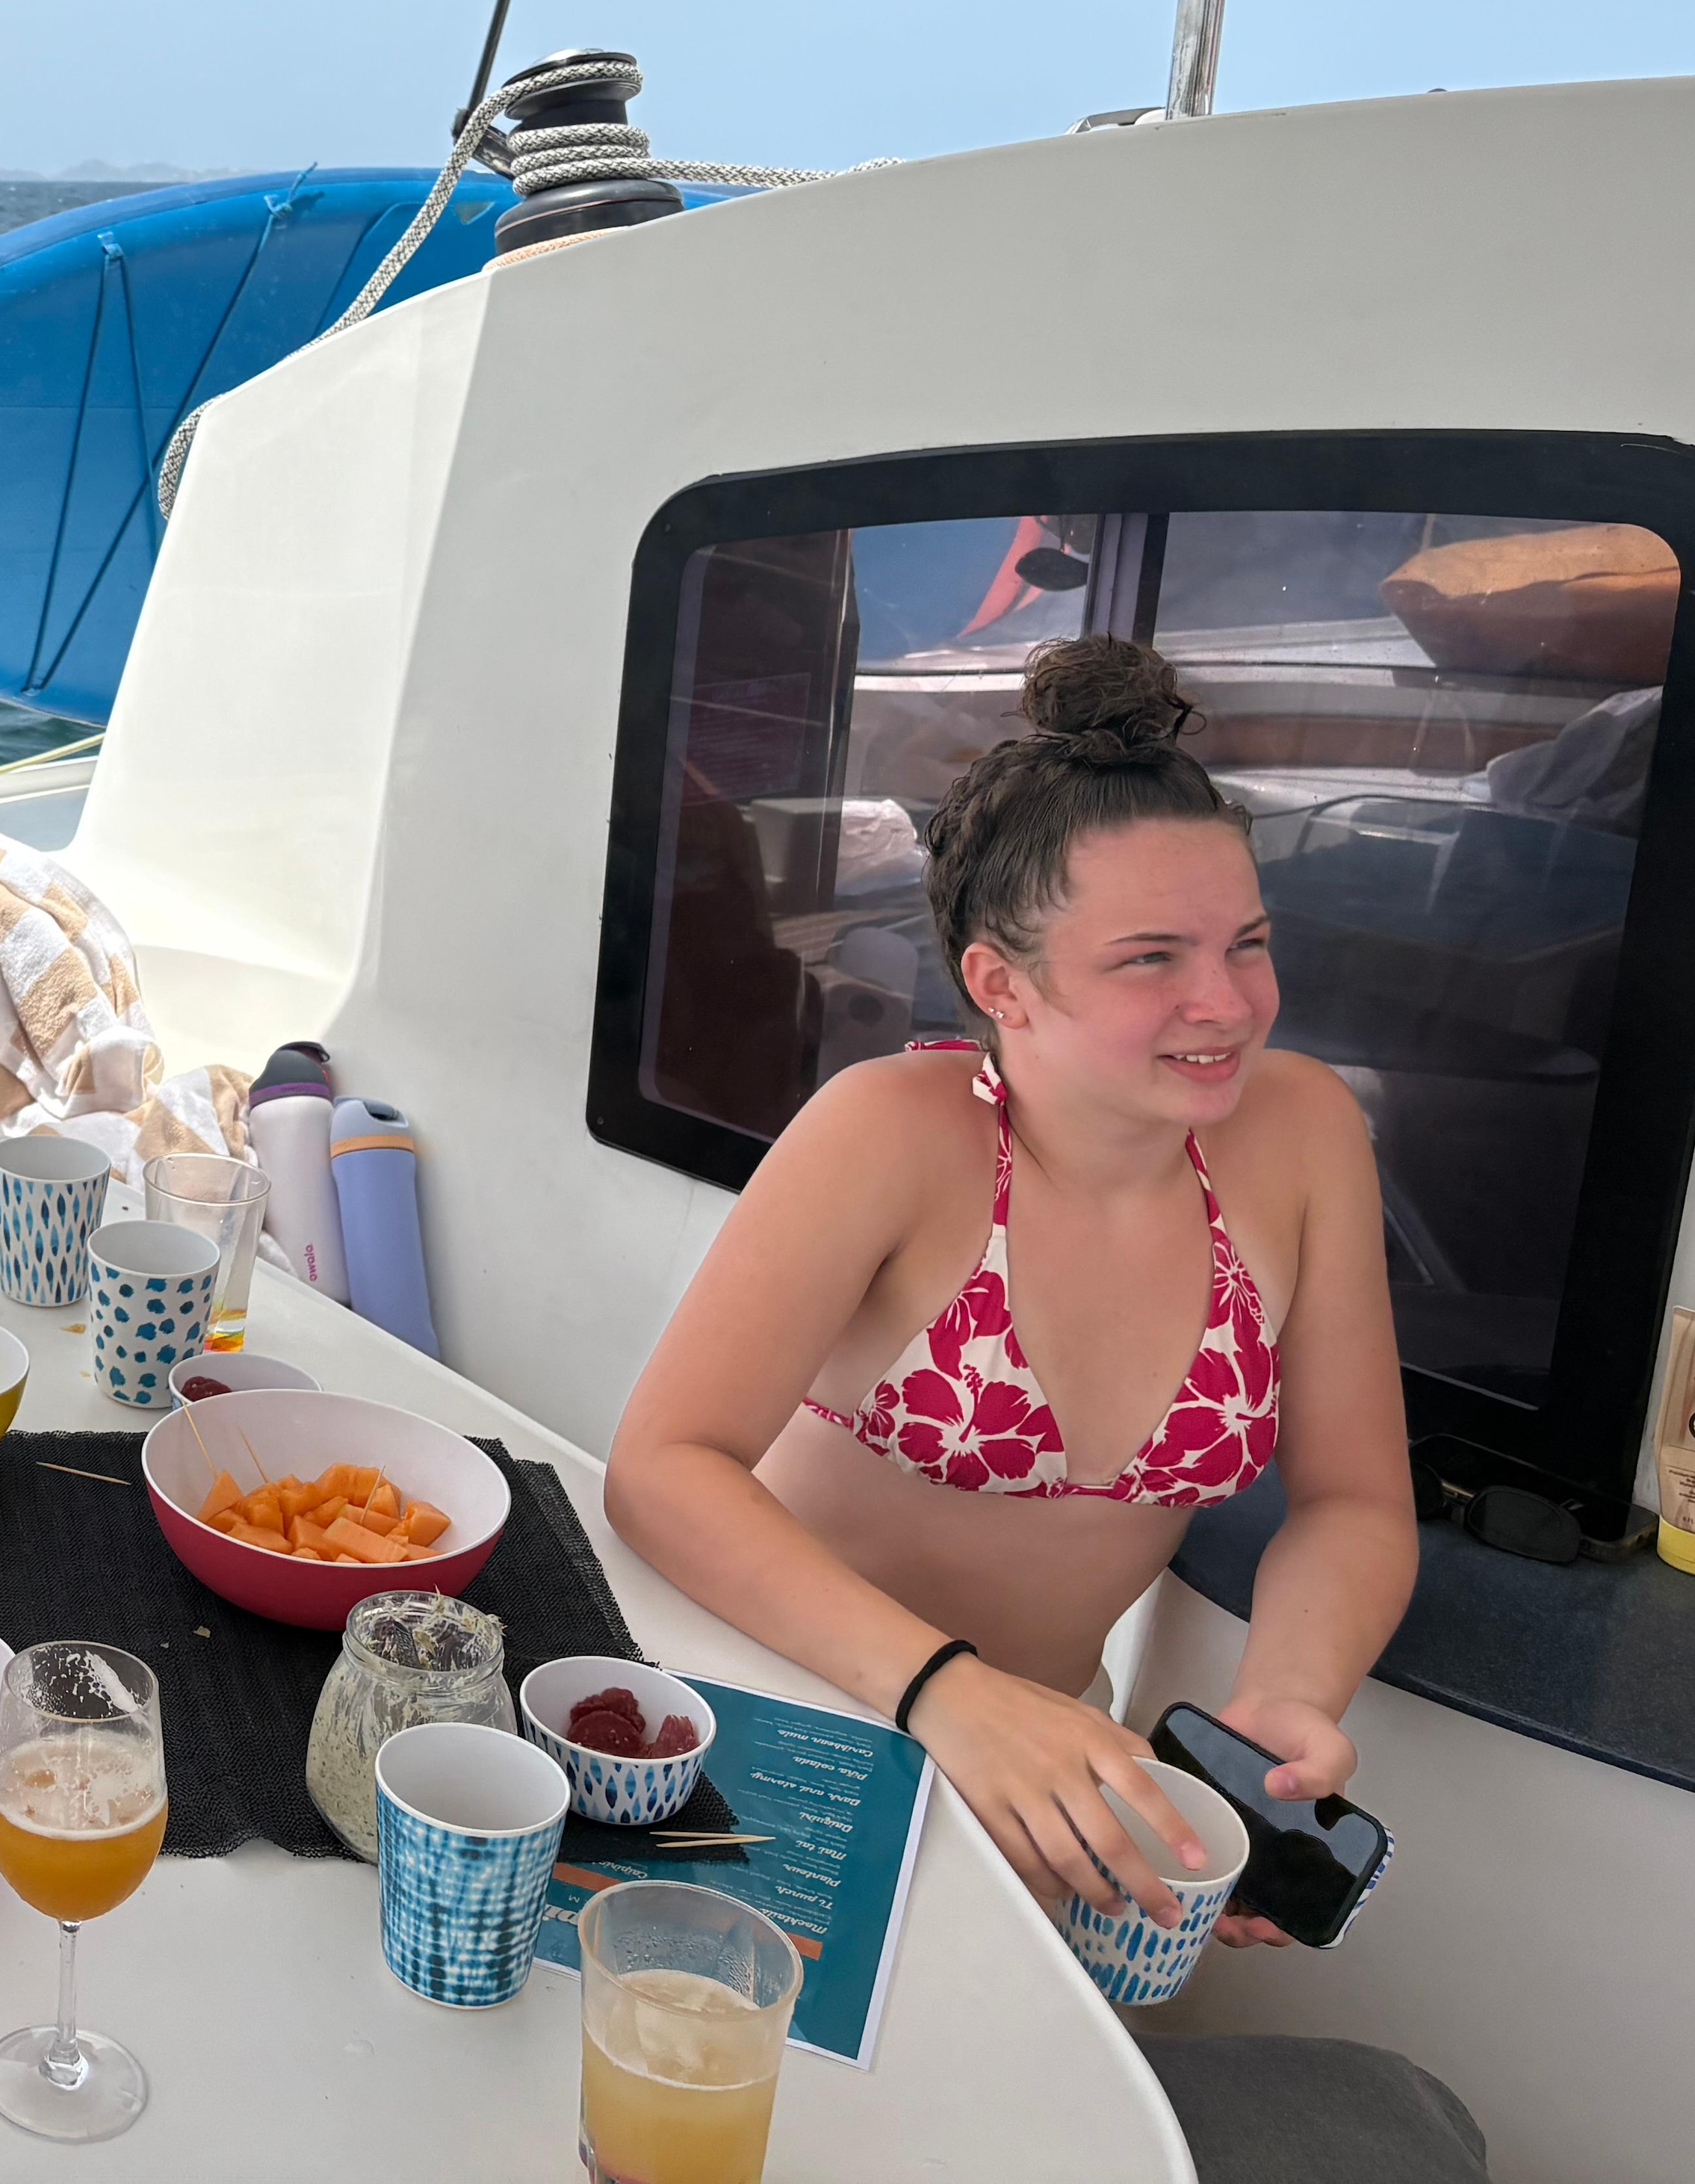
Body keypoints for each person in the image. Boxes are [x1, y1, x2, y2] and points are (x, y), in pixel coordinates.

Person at [606, 637, 1418, 1951]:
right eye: (1151, 958)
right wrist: (947, 1691)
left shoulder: (1306, 1130)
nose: (1226, 1003)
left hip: (1054, 1768)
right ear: (1002, 984)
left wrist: (1285, 1701)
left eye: (1248, 944)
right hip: (786, 1706)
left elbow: (1355, 1501)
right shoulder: (889, 1131)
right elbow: (663, 1468)